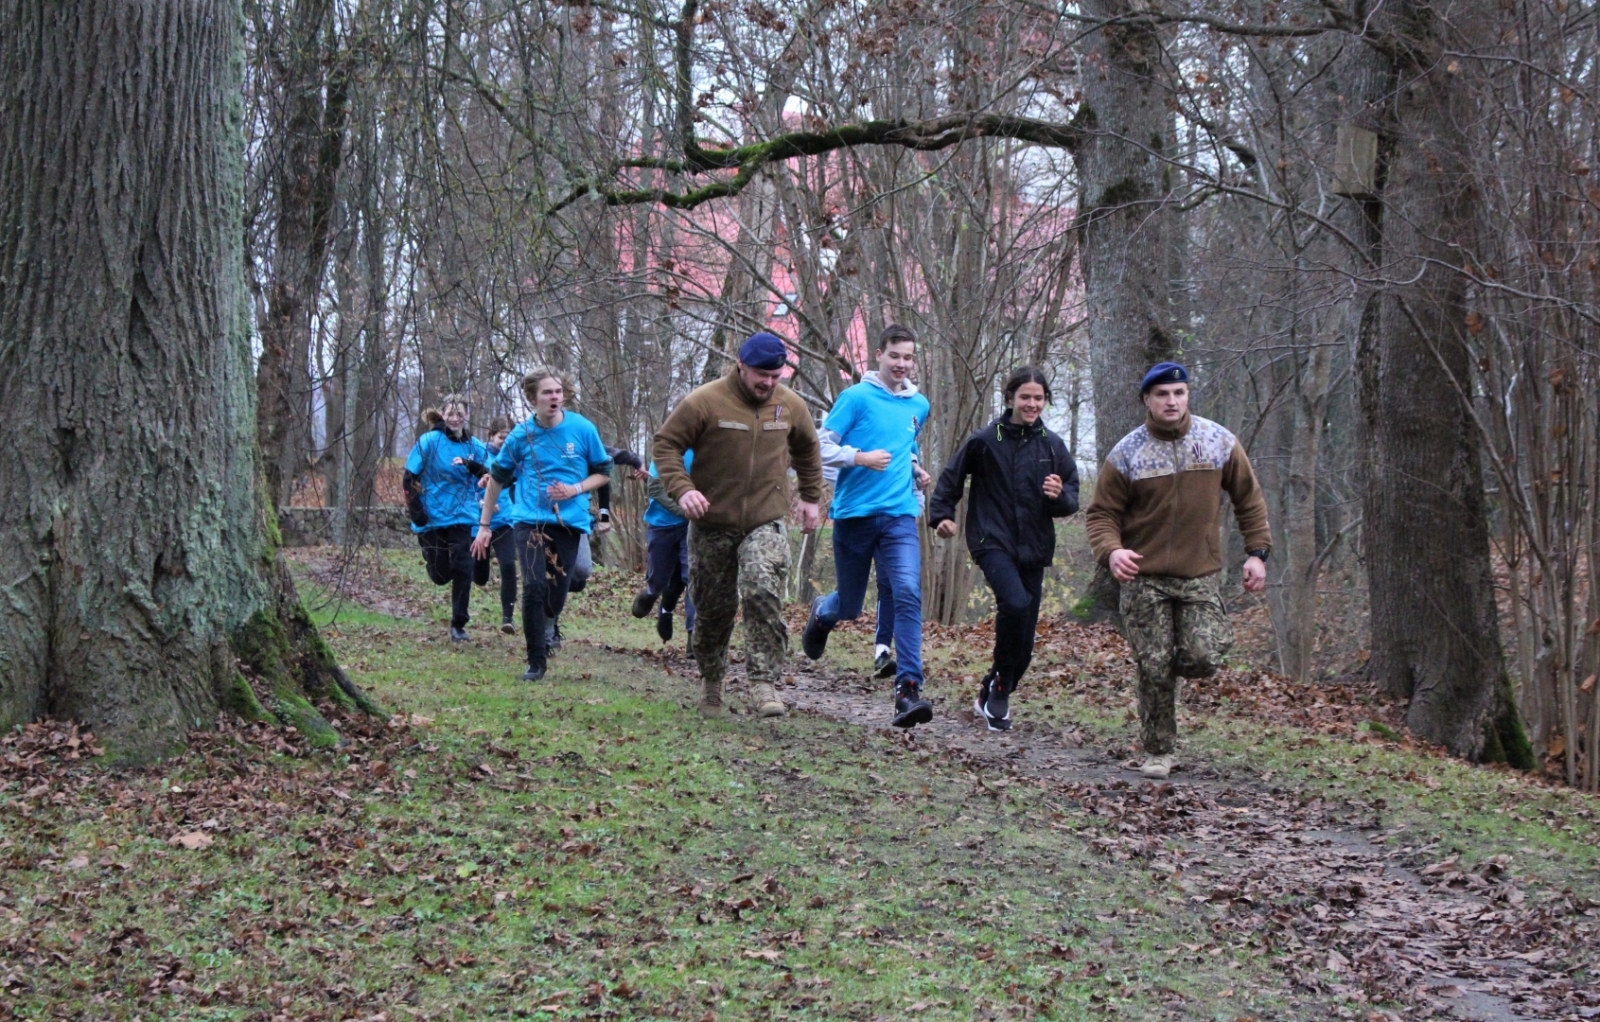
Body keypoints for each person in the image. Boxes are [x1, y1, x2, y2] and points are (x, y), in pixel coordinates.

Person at [1084, 362, 1270, 779]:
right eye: (1163, 394)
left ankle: (1179, 666)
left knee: (1201, 657)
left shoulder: (1218, 442)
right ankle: (1159, 751)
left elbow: (1249, 501)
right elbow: (1100, 515)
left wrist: (1257, 553)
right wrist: (1112, 553)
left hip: (1199, 573)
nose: (1172, 401)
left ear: (1187, 396)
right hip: (1143, 576)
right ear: (1147, 400)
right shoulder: (1128, 452)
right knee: (1153, 663)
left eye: (1179, 393)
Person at [653, 332, 823, 718]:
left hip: (765, 519)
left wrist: (811, 497)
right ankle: (712, 682)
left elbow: (808, 449)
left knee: (762, 586)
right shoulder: (705, 401)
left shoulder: (790, 405)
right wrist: (682, 490)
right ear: (741, 365)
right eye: (761, 374)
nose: (768, 383)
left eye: (775, 376)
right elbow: (666, 445)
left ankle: (764, 683)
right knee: (713, 609)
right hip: (712, 522)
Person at [929, 367, 1079, 732]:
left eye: (1038, 398)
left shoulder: (1052, 444)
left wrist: (1060, 497)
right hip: (990, 539)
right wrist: (941, 516)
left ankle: (994, 687)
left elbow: (1071, 495)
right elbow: (952, 476)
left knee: (1025, 641)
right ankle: (999, 688)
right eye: (1025, 397)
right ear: (1010, 398)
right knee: (1014, 603)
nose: (1032, 404)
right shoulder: (986, 439)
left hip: (1035, 546)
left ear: (1045, 401)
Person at [801, 324, 934, 728]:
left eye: (908, 357)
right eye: (895, 355)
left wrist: (915, 469)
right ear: (879, 354)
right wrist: (859, 458)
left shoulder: (919, 405)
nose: (901, 364)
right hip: (854, 515)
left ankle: (908, 690)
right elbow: (819, 445)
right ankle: (823, 612)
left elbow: (904, 446)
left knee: (908, 592)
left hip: (899, 516)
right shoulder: (855, 397)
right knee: (851, 606)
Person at [470, 369, 613, 681]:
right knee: (534, 586)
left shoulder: (582, 428)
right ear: (533, 398)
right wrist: (484, 525)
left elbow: (603, 471)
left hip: (569, 523)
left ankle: (550, 624)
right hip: (529, 520)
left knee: (554, 597)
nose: (555, 397)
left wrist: (575, 489)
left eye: (558, 391)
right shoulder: (521, 435)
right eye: (547, 393)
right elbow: (497, 478)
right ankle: (536, 661)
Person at [403, 396, 489, 642]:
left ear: (467, 415)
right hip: (431, 517)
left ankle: (458, 624)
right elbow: (408, 477)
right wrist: (416, 511)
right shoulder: (429, 441)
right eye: (450, 413)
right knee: (440, 576)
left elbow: (492, 473)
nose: (455, 418)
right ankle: (436, 564)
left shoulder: (474, 446)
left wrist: (474, 468)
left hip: (463, 516)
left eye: (459, 413)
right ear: (443, 415)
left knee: (464, 567)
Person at [554, 444, 644, 654]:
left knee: (581, 572)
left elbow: (613, 464)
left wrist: (638, 462)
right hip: (545, 516)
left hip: (577, 519)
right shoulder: (549, 447)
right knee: (551, 573)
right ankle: (551, 626)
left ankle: (554, 598)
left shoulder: (587, 446)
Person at [631, 451, 697, 643]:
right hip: (662, 524)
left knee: (693, 577)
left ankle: (694, 637)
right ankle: (652, 594)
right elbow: (655, 489)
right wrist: (686, 510)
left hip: (692, 527)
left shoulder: (708, 448)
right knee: (661, 580)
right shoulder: (668, 448)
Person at [469, 416, 519, 634]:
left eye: (508, 438)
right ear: (491, 436)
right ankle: (477, 574)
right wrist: (483, 503)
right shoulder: (480, 456)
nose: (504, 442)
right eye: (501, 437)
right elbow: (470, 488)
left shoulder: (514, 460)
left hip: (505, 521)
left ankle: (508, 618)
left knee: (508, 566)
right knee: (480, 577)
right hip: (479, 524)